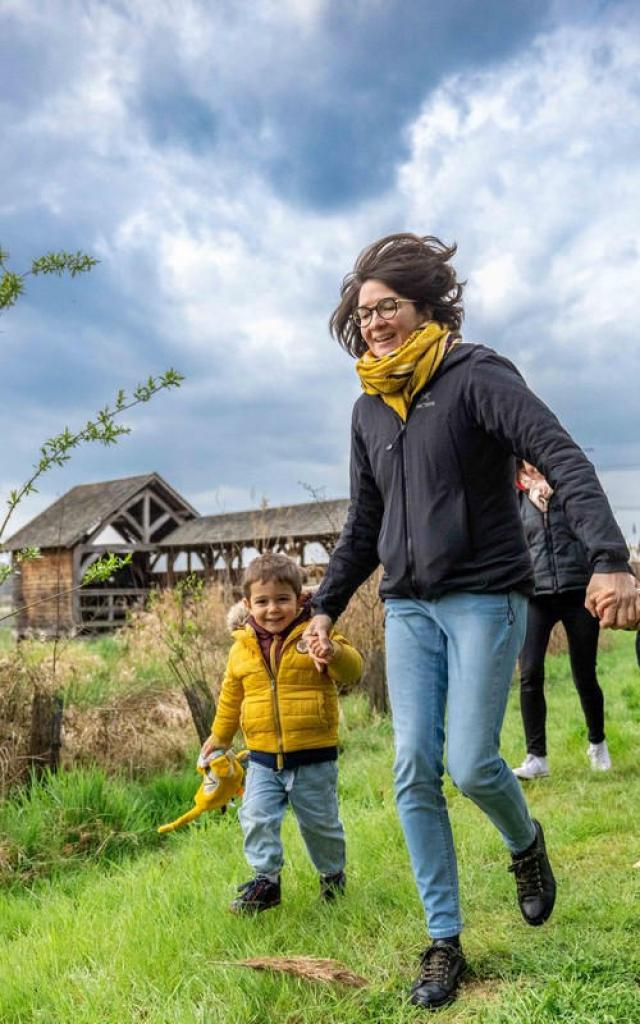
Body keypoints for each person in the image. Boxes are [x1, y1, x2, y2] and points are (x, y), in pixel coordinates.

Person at [303, 233, 640, 1011]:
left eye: (388, 307)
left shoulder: (476, 376)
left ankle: (526, 844)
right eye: (364, 314)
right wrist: (323, 605)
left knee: (471, 763)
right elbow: (365, 523)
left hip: (486, 595)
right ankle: (444, 941)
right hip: (408, 608)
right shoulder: (368, 408)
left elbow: (559, 455)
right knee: (412, 769)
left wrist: (610, 557)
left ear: (425, 303)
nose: (376, 323)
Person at [200, 553, 362, 914]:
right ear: (247, 604)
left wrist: (332, 652)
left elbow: (353, 670)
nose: (273, 609)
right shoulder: (241, 649)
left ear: (300, 598)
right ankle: (266, 881)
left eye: (282, 600)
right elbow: (231, 696)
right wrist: (220, 737)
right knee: (256, 816)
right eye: (262, 601)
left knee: (320, 825)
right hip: (261, 757)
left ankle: (332, 877)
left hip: (314, 755)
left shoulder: (316, 634)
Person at [513, 460, 611, 779]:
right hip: (535, 596)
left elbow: (592, 531)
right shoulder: (512, 497)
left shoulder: (568, 487)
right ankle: (536, 757)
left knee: (584, 673)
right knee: (529, 674)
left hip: (577, 591)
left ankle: (597, 743)